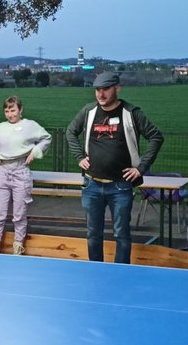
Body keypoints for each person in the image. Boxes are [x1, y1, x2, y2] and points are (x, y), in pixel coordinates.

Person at [65, 71, 164, 264]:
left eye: (105, 89)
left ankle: (121, 274)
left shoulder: (131, 113)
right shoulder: (88, 111)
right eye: (97, 90)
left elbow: (156, 137)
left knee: (121, 235)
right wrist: (79, 157)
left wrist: (141, 168)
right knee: (93, 234)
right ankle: (96, 271)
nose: (100, 94)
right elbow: (70, 132)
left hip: (120, 186)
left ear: (117, 89)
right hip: (91, 185)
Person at [0, 96, 52, 255]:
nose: (10, 114)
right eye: (7, 111)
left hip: (21, 170)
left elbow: (46, 138)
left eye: (13, 110)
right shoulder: (0, 127)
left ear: (20, 110)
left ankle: (18, 245)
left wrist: (36, 151)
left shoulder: (30, 125)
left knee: (19, 213)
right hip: (3, 171)